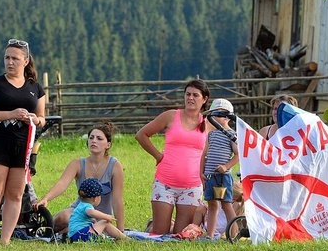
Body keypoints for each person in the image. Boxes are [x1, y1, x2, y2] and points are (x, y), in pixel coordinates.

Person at [0, 38, 46, 247]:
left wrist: (34, 119)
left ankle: (6, 240)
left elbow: (42, 117)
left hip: (22, 146)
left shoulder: (36, 88)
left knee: (15, 194)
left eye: (15, 58)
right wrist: (11, 114)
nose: (10, 62)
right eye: (7, 57)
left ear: (25, 61)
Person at [135, 79, 210, 235]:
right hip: (165, 183)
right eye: (187, 94)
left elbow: (221, 145)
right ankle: (153, 225)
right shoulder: (170, 116)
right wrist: (158, 155)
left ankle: (170, 224)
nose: (190, 98)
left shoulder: (208, 123)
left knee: (180, 235)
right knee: (159, 235)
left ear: (204, 99)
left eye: (195, 95)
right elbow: (142, 135)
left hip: (192, 186)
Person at [32, 121, 125, 234]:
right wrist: (45, 199)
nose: (94, 141)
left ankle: (67, 232)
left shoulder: (114, 165)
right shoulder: (78, 163)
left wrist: (121, 231)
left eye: (99, 138)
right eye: (91, 138)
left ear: (108, 145)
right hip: (80, 212)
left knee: (92, 228)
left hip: (100, 216)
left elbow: (117, 200)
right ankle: (53, 232)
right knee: (62, 217)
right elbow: (62, 184)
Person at [200, 98, 239, 239]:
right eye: (214, 115)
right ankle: (210, 235)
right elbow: (204, 155)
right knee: (212, 205)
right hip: (210, 175)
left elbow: (237, 155)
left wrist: (226, 166)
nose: (215, 118)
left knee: (226, 204)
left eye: (219, 114)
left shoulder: (232, 135)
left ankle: (233, 234)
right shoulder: (211, 134)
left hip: (223, 177)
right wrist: (201, 172)